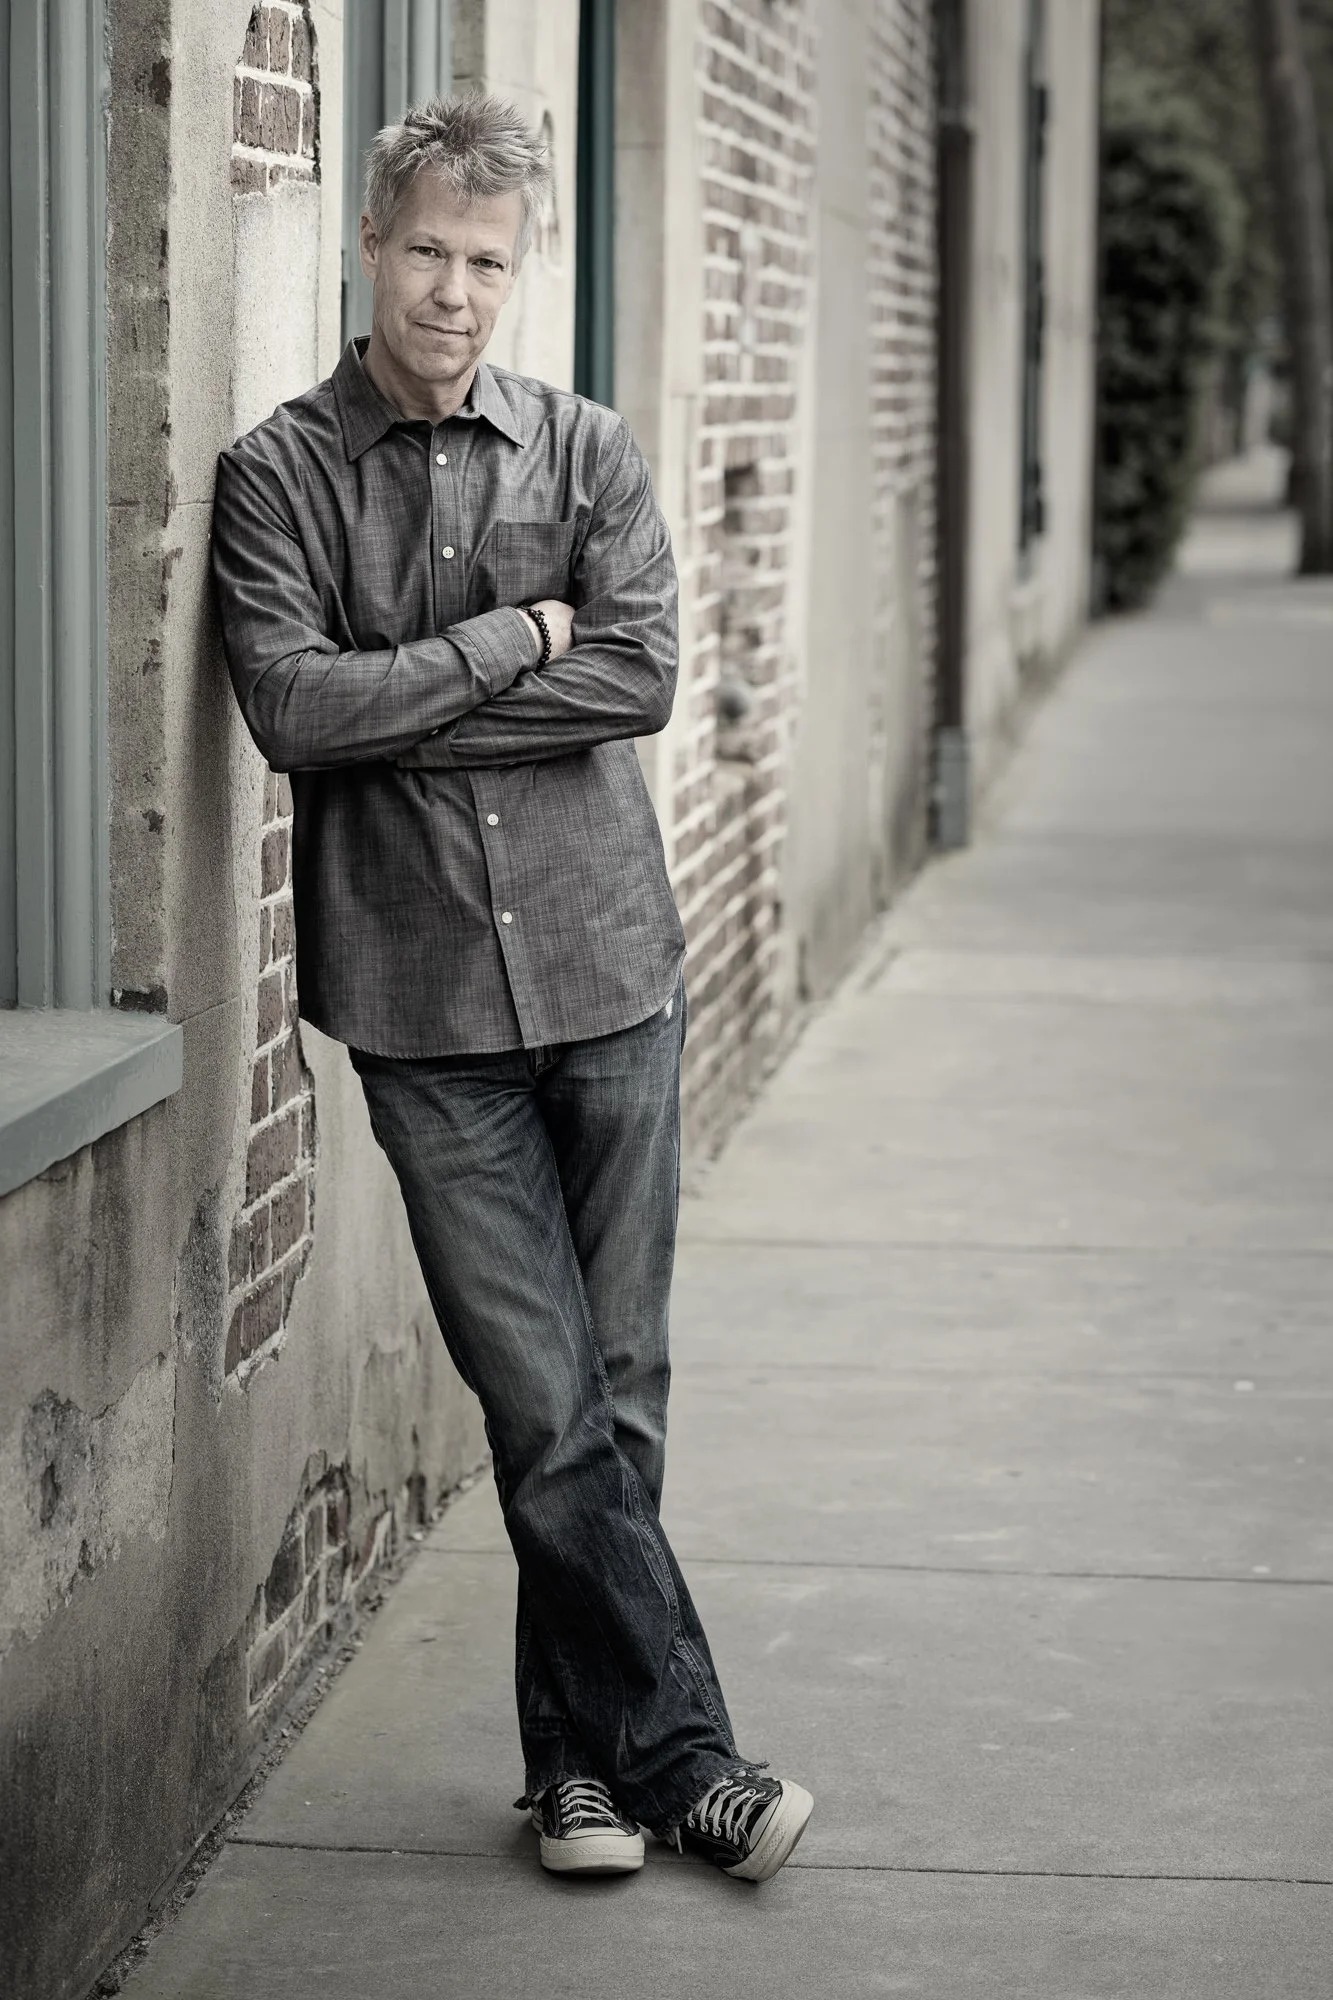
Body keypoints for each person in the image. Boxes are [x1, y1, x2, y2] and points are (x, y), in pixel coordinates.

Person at [211, 94, 813, 1884]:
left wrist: (422, 682)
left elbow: (632, 677)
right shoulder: (278, 475)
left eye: (487, 261)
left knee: (616, 1390)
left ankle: (578, 1772)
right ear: (369, 250)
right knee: (539, 1396)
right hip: (420, 1010)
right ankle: (694, 1755)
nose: (454, 290)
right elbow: (295, 711)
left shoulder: (593, 455)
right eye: (425, 252)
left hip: (610, 971)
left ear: (516, 271)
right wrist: (508, 637)